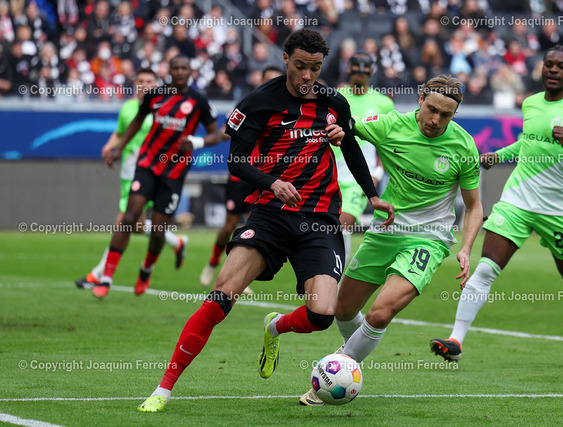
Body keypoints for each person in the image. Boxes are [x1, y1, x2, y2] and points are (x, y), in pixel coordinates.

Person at [136, 28, 394, 413]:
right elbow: (236, 161)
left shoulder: (334, 102)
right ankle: (164, 389)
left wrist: (372, 196)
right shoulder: (259, 102)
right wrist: (272, 183)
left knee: (322, 315)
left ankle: (275, 326)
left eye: (315, 68)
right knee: (221, 295)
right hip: (271, 215)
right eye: (301, 66)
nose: (307, 75)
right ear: (286, 59)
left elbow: (353, 148)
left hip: (320, 218)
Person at [299, 74, 484, 405]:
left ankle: (336, 373)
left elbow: (474, 207)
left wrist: (466, 248)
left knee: (381, 313)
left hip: (428, 239)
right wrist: (339, 130)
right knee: (343, 309)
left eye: (446, 115)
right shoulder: (390, 125)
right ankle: (351, 353)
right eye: (432, 109)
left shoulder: (464, 146)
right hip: (386, 231)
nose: (436, 120)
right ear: (420, 98)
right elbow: (350, 126)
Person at [430, 45, 563, 363]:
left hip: (558, 209)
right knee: (486, 268)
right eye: (549, 64)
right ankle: (456, 341)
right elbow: (527, 142)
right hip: (517, 200)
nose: (553, 69)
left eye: (561, 66)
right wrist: (498, 156)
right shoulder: (531, 102)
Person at [95, 55, 221, 299]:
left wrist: (197, 142)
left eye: (184, 67)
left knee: (158, 231)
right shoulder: (155, 95)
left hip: (174, 172)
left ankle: (146, 270)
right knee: (129, 217)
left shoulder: (199, 101)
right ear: (170, 71)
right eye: (176, 67)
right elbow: (137, 122)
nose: (180, 71)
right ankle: (106, 277)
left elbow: (215, 134)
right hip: (148, 164)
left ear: (190, 71)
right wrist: (119, 149)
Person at [75, 68, 188, 290]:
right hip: (128, 171)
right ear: (134, 84)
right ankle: (176, 241)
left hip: (150, 172)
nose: (144, 84)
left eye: (149, 81)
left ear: (156, 84)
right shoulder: (128, 108)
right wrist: (110, 146)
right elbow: (120, 132)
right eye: (140, 81)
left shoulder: (163, 107)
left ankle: (99, 274)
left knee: (123, 221)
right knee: (135, 226)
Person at [199, 65, 285, 290]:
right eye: (269, 80)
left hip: (265, 178)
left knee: (252, 226)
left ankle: (238, 273)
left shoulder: (287, 110)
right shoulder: (249, 105)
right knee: (229, 225)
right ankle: (212, 263)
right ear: (261, 82)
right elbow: (224, 132)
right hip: (241, 177)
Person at [333, 51, 395, 260]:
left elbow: (388, 145)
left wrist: (376, 174)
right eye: (356, 67)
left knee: (343, 225)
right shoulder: (335, 96)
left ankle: (336, 275)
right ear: (348, 69)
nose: (360, 72)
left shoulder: (383, 103)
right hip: (330, 174)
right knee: (326, 228)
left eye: (365, 68)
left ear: (372, 71)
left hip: (358, 177)